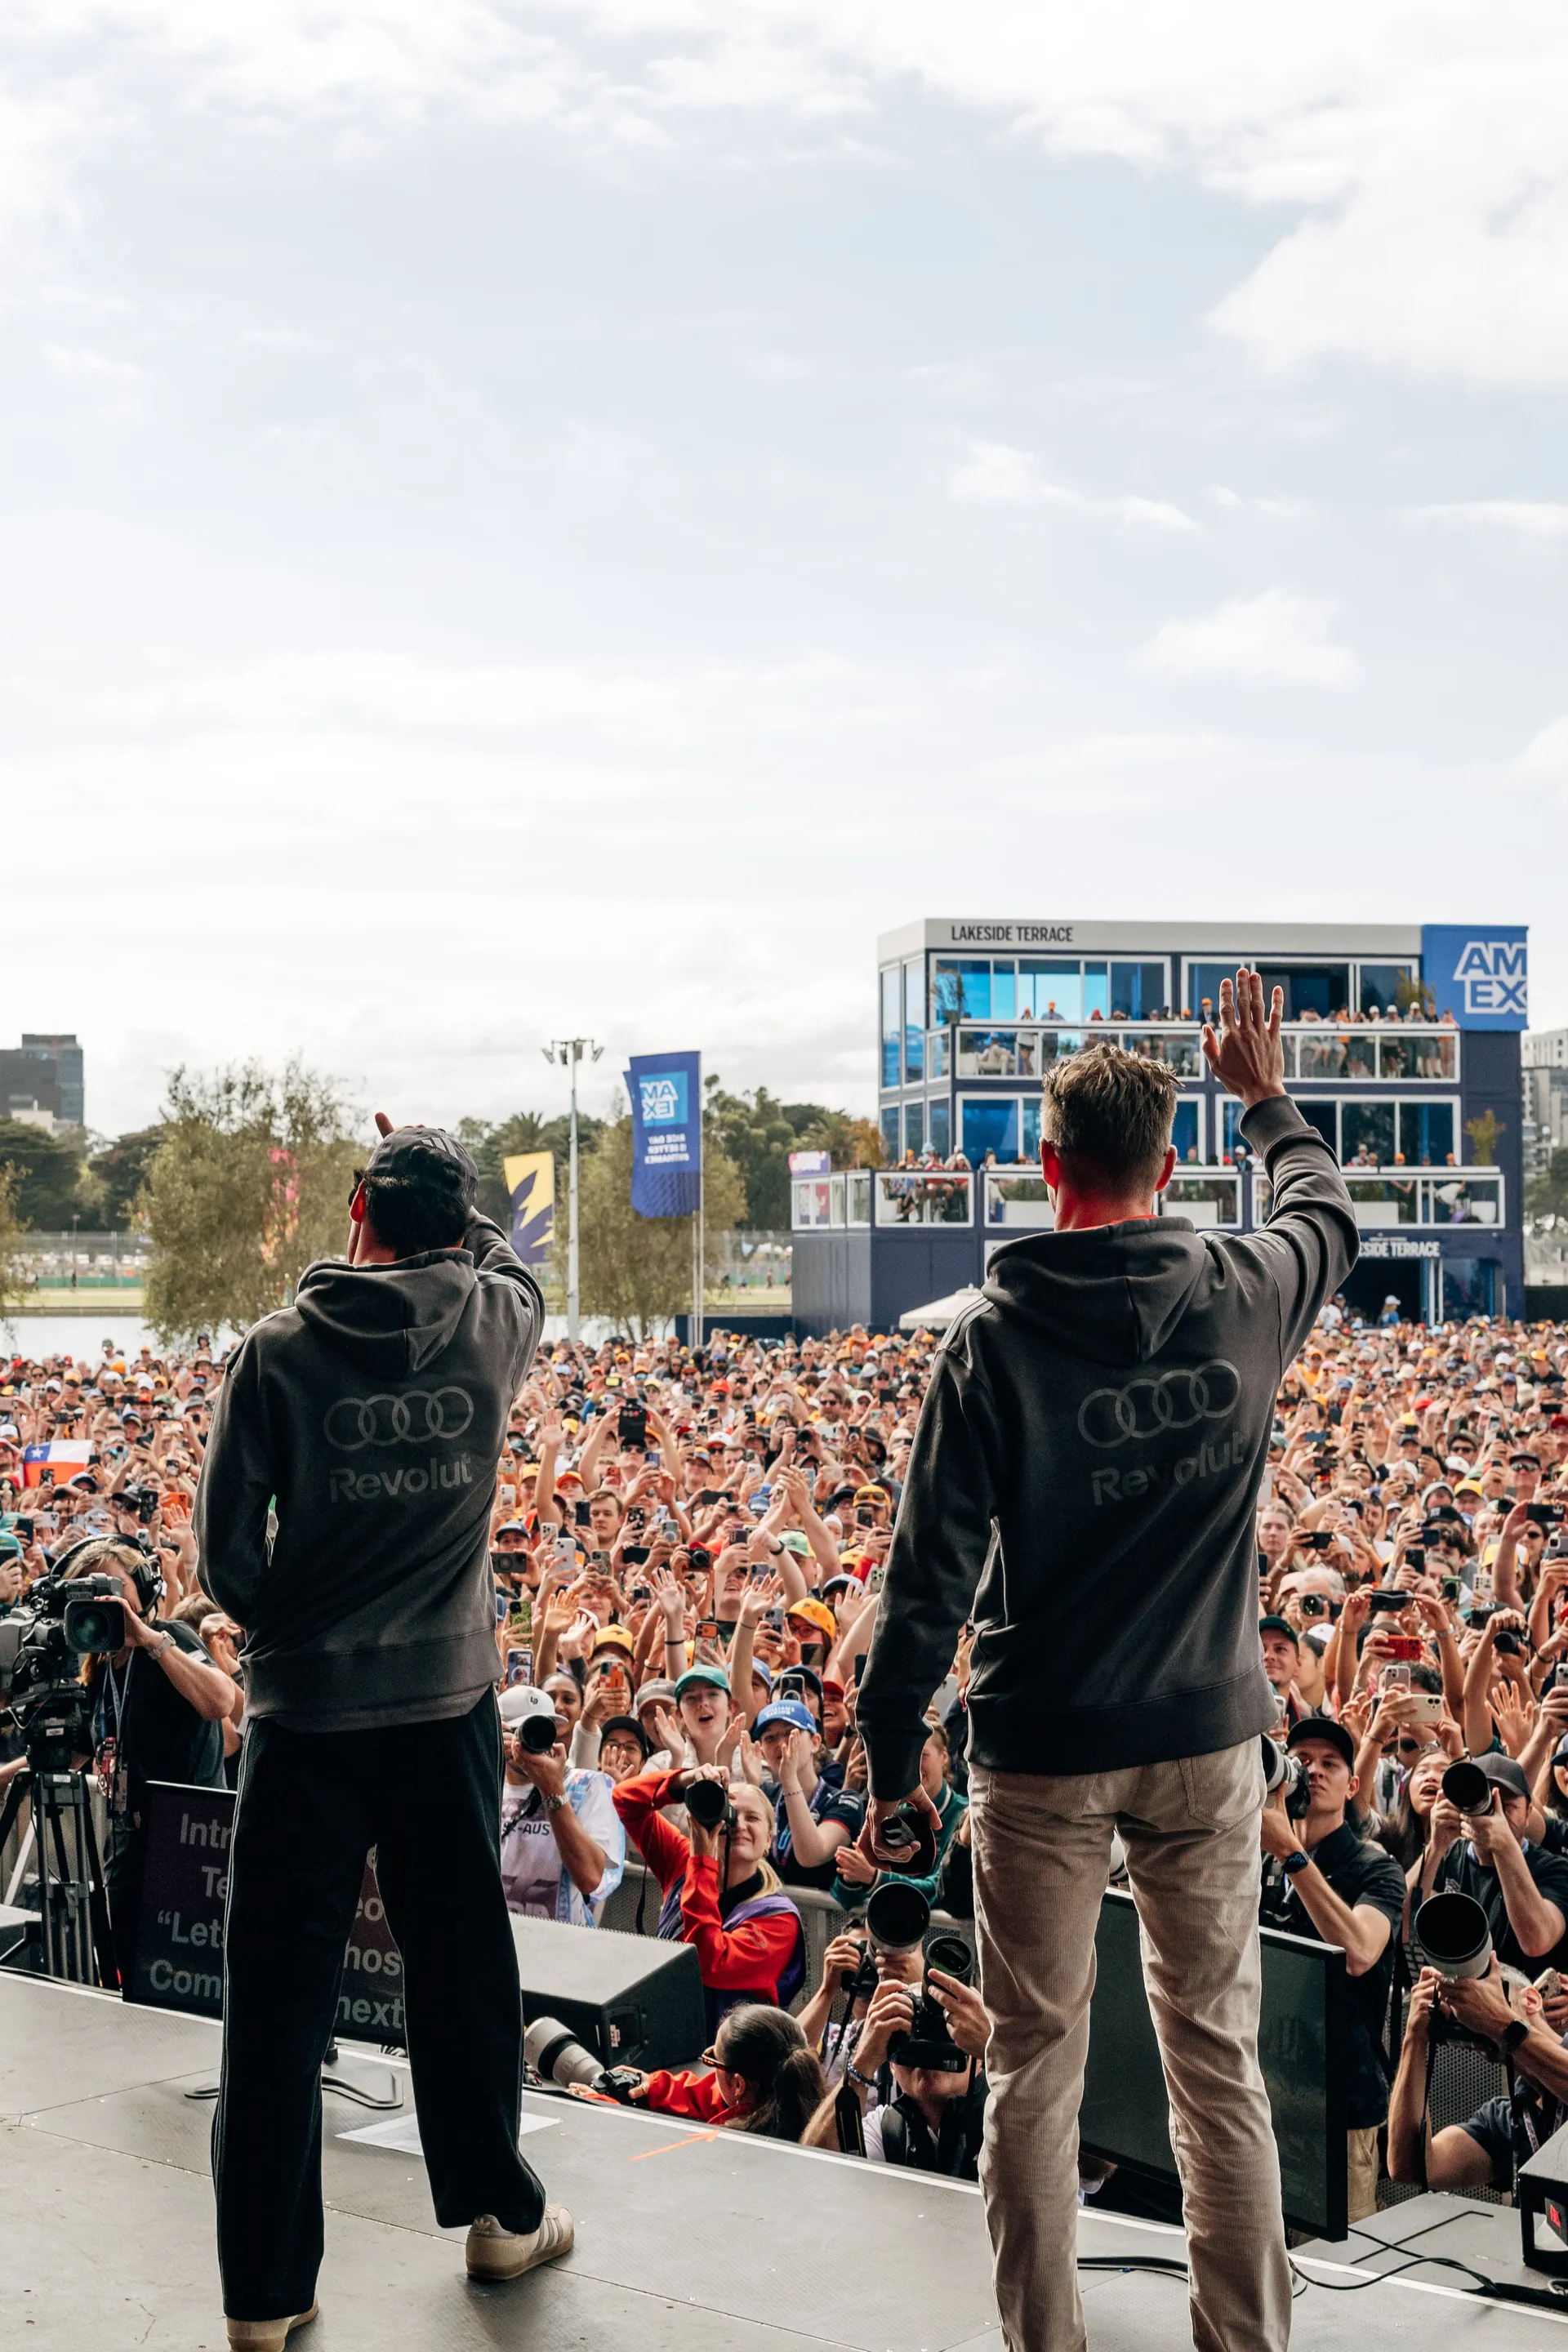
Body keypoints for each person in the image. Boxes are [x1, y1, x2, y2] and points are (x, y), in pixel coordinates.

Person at [854, 972, 1356, 2352]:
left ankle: (1045, 2346)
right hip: (1206, 1739)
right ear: (1171, 1161)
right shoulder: (1249, 1290)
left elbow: (921, 1590)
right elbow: (1329, 1217)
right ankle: (1244, 2341)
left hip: (1044, 1750)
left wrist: (895, 1761)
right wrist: (1265, 1096)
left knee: (1033, 2069)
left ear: (1044, 1165)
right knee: (1219, 2068)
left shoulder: (992, 1343)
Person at [196, 1117, 572, 2352]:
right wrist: (459, 1208)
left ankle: (265, 2295)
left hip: (304, 1721)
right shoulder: (489, 1321)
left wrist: (300, 1629)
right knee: (461, 1972)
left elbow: (222, 1561)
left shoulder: (274, 1353)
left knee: (277, 2009)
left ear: (354, 1202)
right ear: (458, 1228)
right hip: (445, 1708)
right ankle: (501, 2219)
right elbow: (519, 1265)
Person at [62, 1534, 235, 1986]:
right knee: (130, 1970)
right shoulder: (100, 1672)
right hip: (128, 1838)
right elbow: (78, 1752)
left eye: (114, 1585)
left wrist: (147, 1639)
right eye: (90, 1590)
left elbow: (220, 1700)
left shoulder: (171, 1637)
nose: (104, 1598)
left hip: (188, 1838)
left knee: (186, 1977)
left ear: (142, 1587)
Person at [1257, 1718, 1406, 2221]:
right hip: (1261, 2093)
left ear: (1353, 1783)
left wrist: (1292, 1854)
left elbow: (1361, 1951)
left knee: (1338, 2272)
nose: (1313, 1772)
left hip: (1340, 2105)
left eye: (1330, 1764)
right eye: (1301, 1761)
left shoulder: (1375, 1866)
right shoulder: (1253, 1858)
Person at [611, 1759, 806, 2036]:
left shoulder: (779, 1919)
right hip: (661, 2030)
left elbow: (706, 1963)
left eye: (752, 1818)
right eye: (730, 1812)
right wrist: (684, 1781)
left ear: (768, 1841)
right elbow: (625, 1799)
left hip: (729, 2061)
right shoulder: (683, 1859)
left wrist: (702, 1862)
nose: (739, 1824)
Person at [497, 1683, 625, 1925]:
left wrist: (552, 1789)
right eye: (518, 1730)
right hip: (496, 1945)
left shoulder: (587, 1786)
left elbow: (589, 1879)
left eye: (542, 1729)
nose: (529, 1742)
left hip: (561, 1948)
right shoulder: (482, 1787)